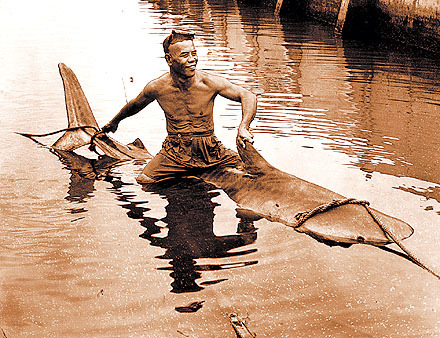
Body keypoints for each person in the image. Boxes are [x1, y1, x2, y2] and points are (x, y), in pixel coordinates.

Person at [102, 30, 257, 183]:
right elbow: (135, 105)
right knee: (144, 180)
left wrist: (243, 127)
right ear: (169, 59)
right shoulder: (157, 87)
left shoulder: (209, 83)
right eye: (184, 55)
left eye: (194, 53)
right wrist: (115, 122)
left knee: (250, 172)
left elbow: (248, 96)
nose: (192, 59)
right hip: (175, 151)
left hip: (211, 150)